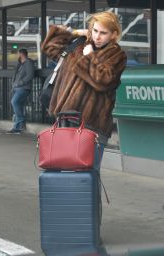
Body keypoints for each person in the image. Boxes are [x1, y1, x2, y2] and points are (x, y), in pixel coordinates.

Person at [41, 11, 127, 163]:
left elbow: (104, 80)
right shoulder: (79, 46)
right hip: (65, 120)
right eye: (94, 30)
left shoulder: (117, 55)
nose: (97, 36)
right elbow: (49, 47)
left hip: (91, 125)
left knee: (87, 174)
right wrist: (75, 33)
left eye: (103, 33)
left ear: (114, 35)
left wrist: (90, 57)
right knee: (64, 170)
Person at [7, 48, 34, 134]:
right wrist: (14, 85)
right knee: (19, 105)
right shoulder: (20, 64)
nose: (17, 55)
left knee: (14, 102)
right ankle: (19, 126)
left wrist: (20, 83)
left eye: (18, 54)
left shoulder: (28, 63)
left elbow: (30, 75)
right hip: (17, 88)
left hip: (24, 88)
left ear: (22, 54)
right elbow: (17, 76)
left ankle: (20, 122)